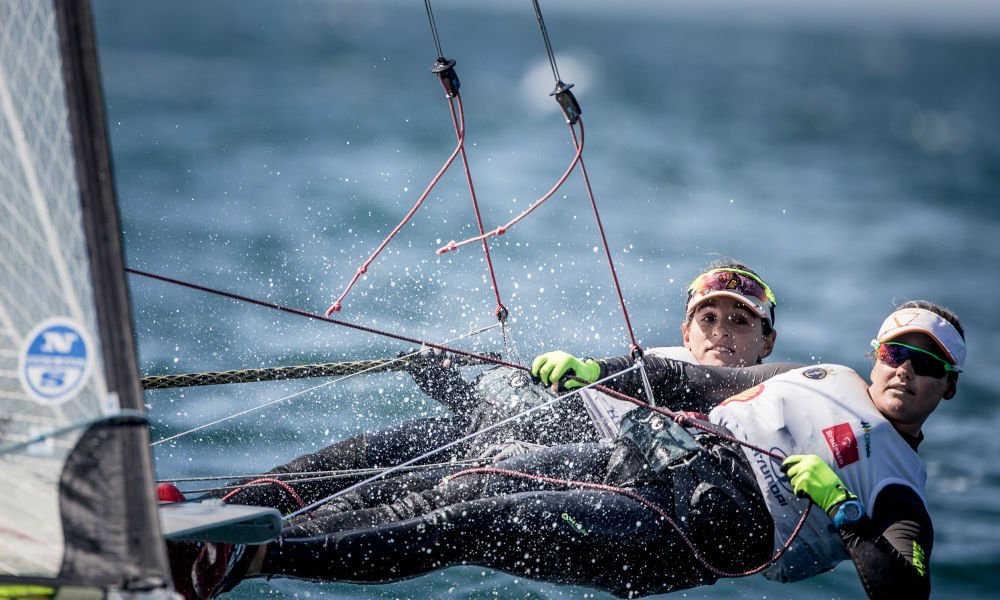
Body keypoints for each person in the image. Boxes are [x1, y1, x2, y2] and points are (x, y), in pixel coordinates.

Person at [168, 300, 960, 600]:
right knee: (458, 482)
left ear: (946, 387)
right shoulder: (812, 374)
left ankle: (249, 561)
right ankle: (216, 533)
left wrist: (845, 509)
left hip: (676, 536)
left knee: (474, 521)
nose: (906, 371)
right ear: (876, 350)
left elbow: (901, 590)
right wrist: (595, 370)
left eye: (927, 365)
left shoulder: (900, 487)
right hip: (641, 471)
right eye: (898, 352)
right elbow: (677, 377)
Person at [198, 261, 779, 513]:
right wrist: (450, 387)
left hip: (522, 461)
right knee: (344, 460)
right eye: (709, 318)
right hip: (486, 425)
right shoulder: (654, 359)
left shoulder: (760, 397)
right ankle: (212, 515)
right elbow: (538, 411)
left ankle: (243, 552)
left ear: (766, 342)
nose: (721, 332)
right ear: (686, 328)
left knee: (375, 496)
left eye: (740, 321)